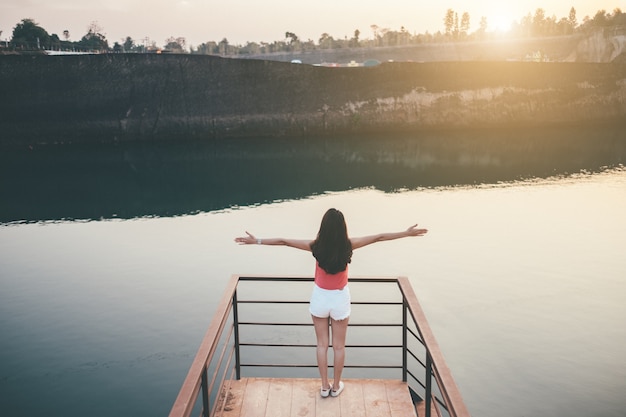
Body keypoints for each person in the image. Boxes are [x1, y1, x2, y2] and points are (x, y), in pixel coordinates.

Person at [234, 208, 428, 398]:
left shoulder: (315, 246)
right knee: (339, 347)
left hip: (320, 298)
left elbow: (284, 241)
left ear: (323, 227)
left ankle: (324, 386)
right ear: (343, 228)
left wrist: (256, 240)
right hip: (339, 300)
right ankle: (336, 387)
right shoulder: (348, 245)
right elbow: (379, 237)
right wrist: (406, 233)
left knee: (321, 345)